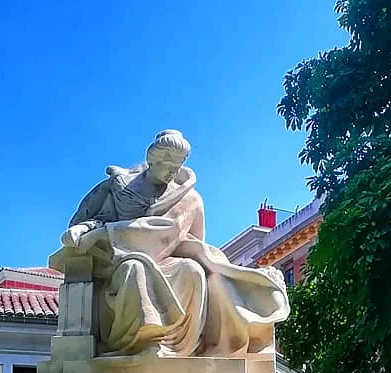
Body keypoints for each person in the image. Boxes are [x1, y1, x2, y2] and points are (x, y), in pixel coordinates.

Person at [52, 130, 290, 358]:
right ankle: (141, 341)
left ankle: (176, 348)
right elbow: (91, 218)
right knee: (136, 267)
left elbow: (195, 240)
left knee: (193, 271)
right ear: (152, 160)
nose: (171, 173)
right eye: (167, 166)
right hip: (117, 258)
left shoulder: (189, 198)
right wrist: (84, 229)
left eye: (176, 168)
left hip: (166, 258)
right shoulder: (120, 186)